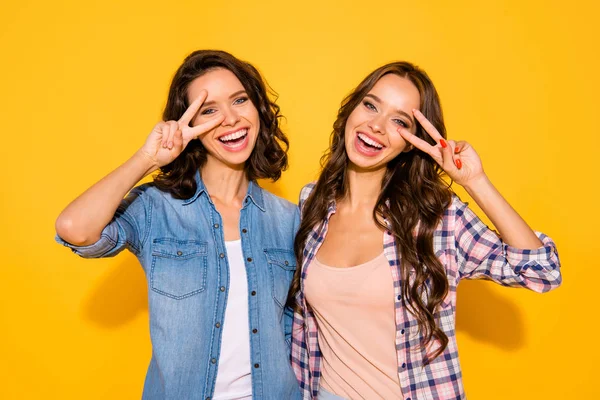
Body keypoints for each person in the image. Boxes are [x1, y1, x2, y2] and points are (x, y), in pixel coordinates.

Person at [288, 61, 561, 400]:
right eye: (371, 105)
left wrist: (475, 181)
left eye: (399, 121)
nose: (376, 126)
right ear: (350, 110)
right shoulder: (310, 204)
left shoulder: (435, 219)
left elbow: (542, 271)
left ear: (411, 143)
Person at [55, 50, 301, 400]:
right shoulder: (156, 208)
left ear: (257, 108)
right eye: (209, 110)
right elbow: (74, 229)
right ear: (189, 126)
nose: (230, 119)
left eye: (239, 100)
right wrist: (148, 159)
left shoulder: (289, 219)